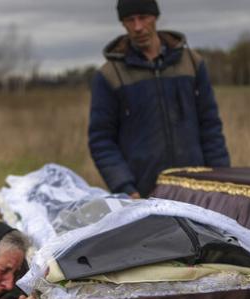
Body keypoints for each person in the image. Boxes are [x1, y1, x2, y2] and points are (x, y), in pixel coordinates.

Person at [88, 0, 231, 199]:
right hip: (144, 195)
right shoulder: (109, 76)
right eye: (130, 20)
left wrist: (221, 178)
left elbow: (210, 126)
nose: (138, 27)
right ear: (123, 24)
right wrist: (125, 188)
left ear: (155, 17)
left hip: (198, 190)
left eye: (143, 18)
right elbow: (101, 140)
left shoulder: (192, 63)